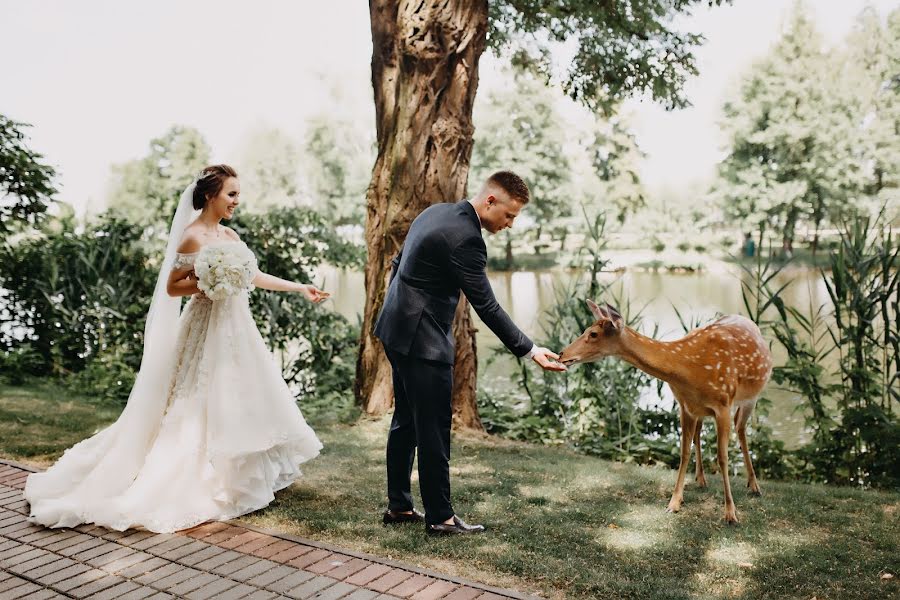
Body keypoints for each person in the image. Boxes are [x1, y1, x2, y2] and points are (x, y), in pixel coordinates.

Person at [25, 165, 329, 533]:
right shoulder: (191, 237)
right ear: (210, 196)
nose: (236, 201)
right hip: (205, 326)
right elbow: (173, 287)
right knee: (198, 397)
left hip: (236, 326)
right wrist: (206, 285)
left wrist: (300, 287)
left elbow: (254, 277)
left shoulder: (230, 235)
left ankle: (238, 475)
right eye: (231, 194)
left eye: (237, 194)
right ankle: (203, 477)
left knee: (240, 394)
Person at [374, 170, 567, 536]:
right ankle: (441, 518)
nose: (510, 224)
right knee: (432, 428)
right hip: (423, 341)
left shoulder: (435, 212)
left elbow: (397, 265)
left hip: (395, 331)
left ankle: (399, 506)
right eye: (509, 215)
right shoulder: (466, 239)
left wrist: (397, 311)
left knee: (407, 422)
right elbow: (488, 307)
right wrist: (530, 350)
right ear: (490, 201)